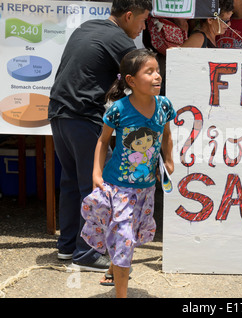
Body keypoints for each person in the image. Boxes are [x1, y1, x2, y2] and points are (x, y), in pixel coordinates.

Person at [47, 0, 152, 271]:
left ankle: (68, 246)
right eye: (142, 21)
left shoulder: (87, 27)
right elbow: (143, 77)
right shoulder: (120, 40)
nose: (142, 28)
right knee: (93, 186)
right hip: (83, 115)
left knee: (71, 183)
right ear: (129, 16)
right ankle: (87, 253)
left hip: (59, 114)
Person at [81, 48, 176, 298]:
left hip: (145, 189)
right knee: (124, 239)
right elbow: (103, 141)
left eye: (158, 71)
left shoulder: (164, 106)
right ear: (131, 80)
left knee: (130, 235)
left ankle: (112, 269)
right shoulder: (118, 110)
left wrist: (168, 159)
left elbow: (166, 135)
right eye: (150, 72)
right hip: (118, 187)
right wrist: (96, 174)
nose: (158, 76)